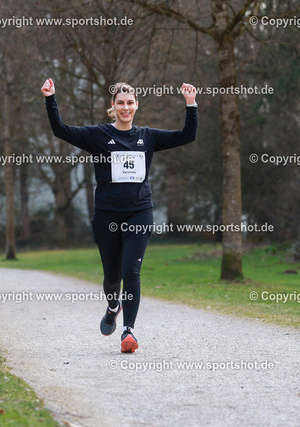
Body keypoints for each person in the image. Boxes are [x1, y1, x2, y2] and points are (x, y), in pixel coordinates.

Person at [42, 78, 198, 353]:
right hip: (107, 215)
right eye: (120, 103)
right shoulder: (98, 135)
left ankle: (129, 332)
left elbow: (187, 135)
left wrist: (191, 104)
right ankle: (113, 306)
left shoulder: (148, 136)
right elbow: (61, 130)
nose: (125, 107)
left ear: (137, 105)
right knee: (112, 277)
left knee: (131, 272)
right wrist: (50, 99)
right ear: (113, 107)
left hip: (139, 211)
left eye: (130, 103)